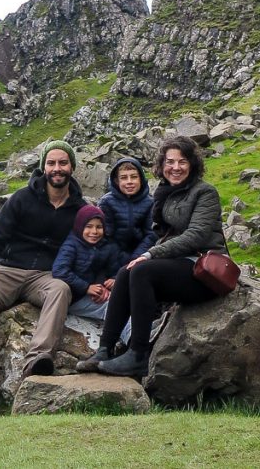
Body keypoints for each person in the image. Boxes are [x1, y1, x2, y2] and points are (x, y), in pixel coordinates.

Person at [77, 135, 228, 376]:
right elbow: (159, 233)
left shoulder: (205, 193)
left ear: (192, 164)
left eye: (182, 162)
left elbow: (196, 236)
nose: (175, 167)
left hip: (203, 269)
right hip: (178, 264)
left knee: (142, 270)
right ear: (162, 165)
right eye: (169, 162)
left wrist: (151, 254)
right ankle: (104, 350)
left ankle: (138, 354)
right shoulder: (165, 193)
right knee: (126, 271)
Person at [0, 140, 85, 415]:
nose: (57, 168)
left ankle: (38, 359)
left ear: (72, 166)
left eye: (63, 163)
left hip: (47, 275)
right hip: (9, 270)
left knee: (61, 289)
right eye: (51, 163)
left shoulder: (80, 209)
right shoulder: (21, 198)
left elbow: (86, 247)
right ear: (43, 167)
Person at [53, 204, 131, 345]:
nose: (94, 231)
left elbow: (117, 267)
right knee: (113, 306)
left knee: (125, 299)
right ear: (79, 226)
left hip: (96, 291)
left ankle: (144, 330)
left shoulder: (107, 246)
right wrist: (86, 287)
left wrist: (113, 280)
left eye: (99, 227)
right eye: (88, 226)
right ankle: (133, 338)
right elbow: (59, 270)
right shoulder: (72, 244)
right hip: (75, 297)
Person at [97, 157, 156, 267]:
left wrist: (136, 258)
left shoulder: (150, 202)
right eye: (124, 178)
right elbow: (106, 237)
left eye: (134, 177)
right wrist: (122, 261)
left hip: (140, 255)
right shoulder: (106, 202)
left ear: (141, 179)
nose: (129, 182)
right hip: (112, 257)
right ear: (116, 181)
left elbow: (151, 235)